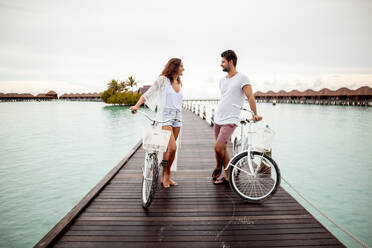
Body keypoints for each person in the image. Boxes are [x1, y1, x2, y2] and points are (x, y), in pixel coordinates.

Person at [130, 58, 184, 188]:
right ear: (174, 67)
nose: (183, 68)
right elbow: (149, 93)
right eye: (181, 66)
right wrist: (137, 105)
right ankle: (164, 176)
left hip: (178, 117)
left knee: (171, 150)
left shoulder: (179, 81)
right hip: (166, 116)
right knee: (172, 147)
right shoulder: (163, 80)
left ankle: (167, 175)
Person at [212, 50, 262, 185]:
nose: (220, 64)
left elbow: (250, 96)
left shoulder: (242, 78)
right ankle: (228, 177)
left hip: (231, 119)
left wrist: (255, 113)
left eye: (223, 61)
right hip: (218, 118)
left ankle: (218, 167)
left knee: (218, 147)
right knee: (221, 148)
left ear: (231, 62)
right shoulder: (222, 81)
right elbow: (225, 98)